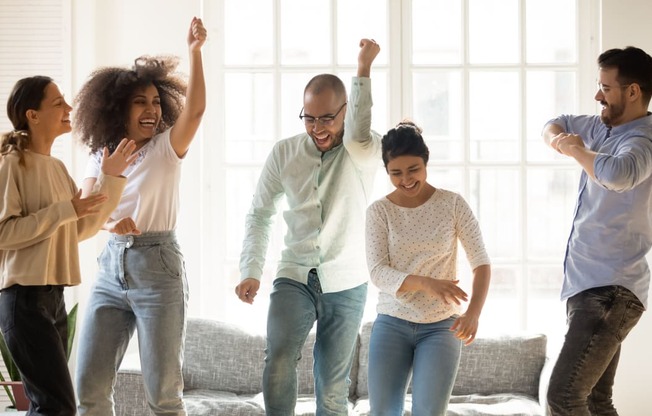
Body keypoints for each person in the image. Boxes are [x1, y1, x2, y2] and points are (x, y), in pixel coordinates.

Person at [235, 38, 381, 415]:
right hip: (294, 275)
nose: (317, 128)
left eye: (327, 118)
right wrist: (250, 270)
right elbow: (259, 213)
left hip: (347, 281)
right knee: (279, 358)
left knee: (332, 386)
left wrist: (362, 70)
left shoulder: (362, 150)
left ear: (346, 111)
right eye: (309, 117)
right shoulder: (284, 152)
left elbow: (360, 132)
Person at [73, 17, 206, 416]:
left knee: (164, 395)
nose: (151, 110)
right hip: (110, 266)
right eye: (140, 102)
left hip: (158, 266)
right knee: (89, 390)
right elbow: (86, 206)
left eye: (155, 102)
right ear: (118, 109)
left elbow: (196, 111)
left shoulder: (167, 146)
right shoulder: (102, 154)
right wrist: (113, 223)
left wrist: (195, 53)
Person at [0, 76, 135, 415]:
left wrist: (112, 177)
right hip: (24, 302)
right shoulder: (10, 164)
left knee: (51, 406)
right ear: (32, 114)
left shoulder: (57, 168)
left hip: (54, 299)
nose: (69, 108)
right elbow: (4, 233)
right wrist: (65, 210)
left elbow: (78, 228)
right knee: (57, 406)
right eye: (58, 102)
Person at [542, 46, 652, 415]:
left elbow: (617, 175)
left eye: (606, 87)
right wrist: (561, 140)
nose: (597, 95)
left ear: (633, 91)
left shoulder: (642, 141)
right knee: (594, 401)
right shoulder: (598, 126)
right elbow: (553, 122)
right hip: (588, 286)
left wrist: (577, 153)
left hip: (611, 292)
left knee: (563, 397)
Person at [365, 120, 491, 416]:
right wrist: (427, 283)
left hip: (441, 327)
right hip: (392, 322)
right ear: (387, 172)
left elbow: (481, 263)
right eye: (396, 173)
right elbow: (378, 271)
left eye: (413, 170)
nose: (406, 180)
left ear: (426, 163)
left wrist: (473, 313)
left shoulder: (453, 204)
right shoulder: (379, 212)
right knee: (383, 412)